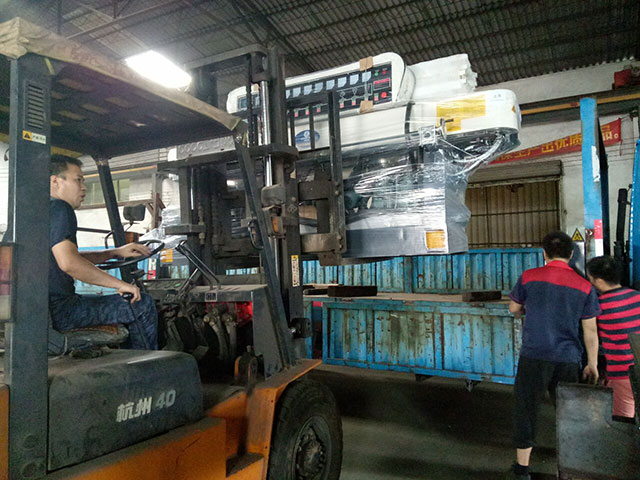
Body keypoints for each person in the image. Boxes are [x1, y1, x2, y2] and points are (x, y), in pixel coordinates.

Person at [507, 231, 600, 480]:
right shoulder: (584, 286)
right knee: (568, 412)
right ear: (570, 254)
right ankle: (570, 468)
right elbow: (590, 331)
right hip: (568, 357)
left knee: (526, 409)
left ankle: (522, 470)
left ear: (544, 253)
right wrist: (592, 364)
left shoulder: (529, 277)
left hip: (534, 355)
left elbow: (514, 307)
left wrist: (528, 309)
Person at [49, 154, 157, 350]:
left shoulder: (36, 212)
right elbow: (69, 263)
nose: (84, 187)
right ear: (55, 181)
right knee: (143, 305)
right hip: (61, 311)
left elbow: (69, 257)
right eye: (78, 180)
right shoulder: (60, 208)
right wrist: (121, 285)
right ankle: (144, 365)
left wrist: (114, 252)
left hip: (44, 310)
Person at [586, 255, 640, 420]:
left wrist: (592, 364)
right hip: (637, 365)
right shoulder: (637, 296)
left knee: (623, 422)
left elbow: (591, 335)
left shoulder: (598, 306)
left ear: (598, 281)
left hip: (622, 373)